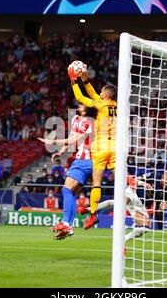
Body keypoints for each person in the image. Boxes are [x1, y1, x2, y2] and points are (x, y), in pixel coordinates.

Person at [69, 63, 117, 229]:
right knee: (121, 181)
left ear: (105, 94)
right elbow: (94, 94)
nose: (100, 92)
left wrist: (74, 81)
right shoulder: (116, 105)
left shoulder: (100, 104)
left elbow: (83, 98)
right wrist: (86, 80)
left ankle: (93, 213)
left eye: (101, 91)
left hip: (101, 147)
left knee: (96, 182)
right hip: (116, 146)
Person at [38, 103, 94, 240]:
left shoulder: (89, 122)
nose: (79, 105)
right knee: (72, 194)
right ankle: (67, 225)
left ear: (86, 109)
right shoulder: (75, 119)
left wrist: (52, 142)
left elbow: (74, 139)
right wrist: (61, 151)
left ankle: (65, 223)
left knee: (66, 190)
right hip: (79, 159)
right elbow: (72, 140)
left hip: (85, 160)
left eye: (82, 104)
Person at [78, 175, 152, 241]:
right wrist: (143, 183)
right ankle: (123, 239)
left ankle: (89, 210)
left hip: (137, 203)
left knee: (146, 228)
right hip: (132, 195)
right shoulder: (128, 178)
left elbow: (136, 179)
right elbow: (134, 180)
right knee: (118, 203)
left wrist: (143, 182)